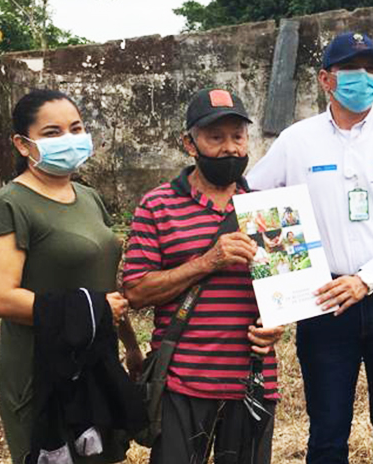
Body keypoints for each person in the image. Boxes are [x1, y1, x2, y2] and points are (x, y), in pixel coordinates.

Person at [248, 31, 373, 463]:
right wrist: (281, 290)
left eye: (372, 69)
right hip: (323, 299)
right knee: (327, 431)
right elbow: (255, 201)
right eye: (351, 69)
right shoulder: (296, 140)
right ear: (325, 79)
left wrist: (365, 280)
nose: (364, 78)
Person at [0, 89, 143, 464]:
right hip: (39, 369)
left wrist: (129, 344)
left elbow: (104, 284)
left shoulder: (88, 198)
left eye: (76, 128)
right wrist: (94, 310)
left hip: (94, 360)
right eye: (52, 132)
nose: (69, 139)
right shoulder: (8, 206)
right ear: (22, 144)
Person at [121, 88, 285, 464]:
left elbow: (287, 293)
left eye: (238, 137)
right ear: (189, 143)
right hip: (182, 381)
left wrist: (278, 324)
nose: (230, 148)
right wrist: (207, 261)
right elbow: (137, 291)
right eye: (215, 137)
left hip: (253, 380)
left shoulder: (266, 207)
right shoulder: (157, 205)